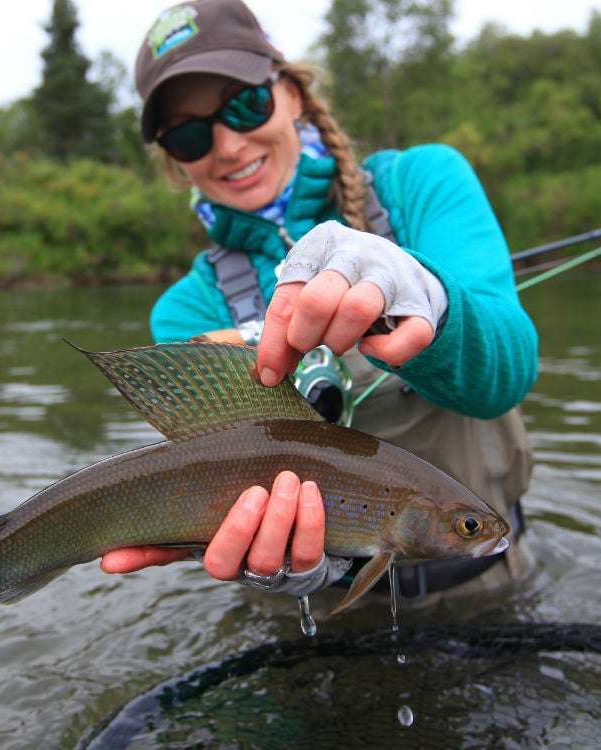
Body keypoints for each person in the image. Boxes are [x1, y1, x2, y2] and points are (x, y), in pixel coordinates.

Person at [100, 0, 537, 605]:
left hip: (493, 588)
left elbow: (507, 375)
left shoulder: (425, 182)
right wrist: (307, 570)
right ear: (174, 163)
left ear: (292, 93)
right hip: (312, 613)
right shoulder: (186, 312)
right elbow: (215, 494)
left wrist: (429, 299)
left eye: (245, 104)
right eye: (190, 134)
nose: (227, 145)